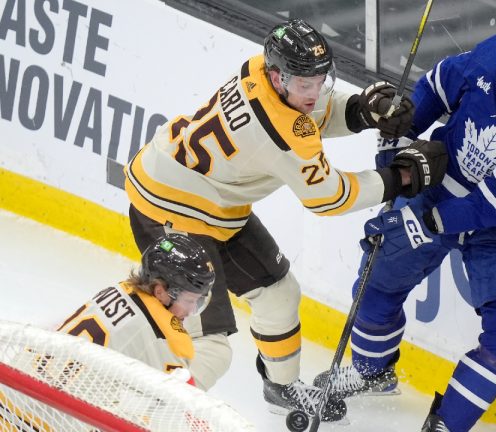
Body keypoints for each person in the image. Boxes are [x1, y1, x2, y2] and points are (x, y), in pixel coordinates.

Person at [123, 18, 447, 422]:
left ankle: (281, 387)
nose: (314, 93)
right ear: (278, 77)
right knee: (210, 340)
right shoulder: (279, 132)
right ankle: (148, 417)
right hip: (169, 208)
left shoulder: (257, 69)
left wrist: (363, 109)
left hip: (209, 202)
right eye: (304, 84)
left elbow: (310, 113)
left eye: (319, 81)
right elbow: (329, 197)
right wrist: (398, 178)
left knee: (279, 293)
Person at [314, 22, 496, 432]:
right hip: (436, 186)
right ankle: (371, 371)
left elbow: (495, 205)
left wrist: (423, 221)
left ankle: (447, 423)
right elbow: (438, 86)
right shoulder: (492, 54)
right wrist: (401, 131)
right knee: (373, 282)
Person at [57, 234, 214, 384]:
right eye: (189, 300)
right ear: (160, 292)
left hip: (38, 380)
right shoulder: (171, 341)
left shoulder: (121, 288)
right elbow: (168, 406)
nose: (192, 309)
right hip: (59, 408)